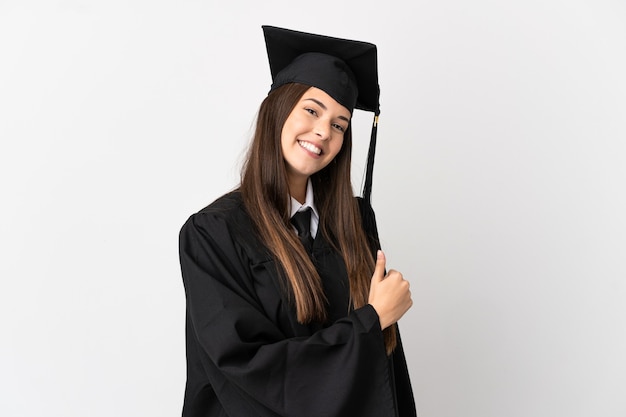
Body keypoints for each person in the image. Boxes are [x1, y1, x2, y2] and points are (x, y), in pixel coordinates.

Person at [179, 25, 417, 417]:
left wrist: (376, 325)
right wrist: (371, 321)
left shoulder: (353, 223)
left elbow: (385, 372)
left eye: (340, 124)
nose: (324, 131)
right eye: (311, 109)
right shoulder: (213, 234)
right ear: (278, 109)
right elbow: (246, 369)